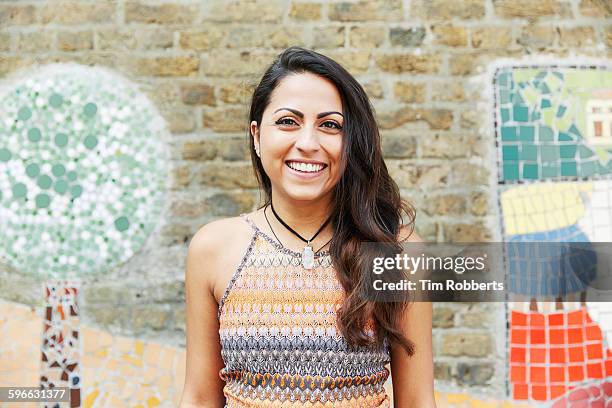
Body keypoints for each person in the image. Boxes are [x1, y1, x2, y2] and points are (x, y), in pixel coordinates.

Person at [179, 46, 435, 408]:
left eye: (330, 125)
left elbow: (418, 401)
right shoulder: (214, 247)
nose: (308, 143)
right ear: (256, 134)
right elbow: (200, 397)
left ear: (351, 142)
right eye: (288, 121)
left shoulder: (398, 253)